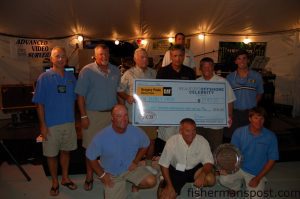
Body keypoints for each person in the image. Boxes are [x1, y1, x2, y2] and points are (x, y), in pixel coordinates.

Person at [32, 46, 77, 196]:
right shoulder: (44, 78)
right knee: (51, 155)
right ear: (51, 59)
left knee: (66, 152)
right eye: (57, 56)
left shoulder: (71, 77)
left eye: (63, 56)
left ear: (67, 59)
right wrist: (42, 125)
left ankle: (65, 178)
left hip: (69, 123)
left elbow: (77, 99)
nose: (61, 59)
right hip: (51, 125)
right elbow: (39, 103)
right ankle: (54, 182)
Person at [75, 44, 120, 191]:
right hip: (93, 115)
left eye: (106, 54)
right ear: (95, 55)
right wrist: (83, 116)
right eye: (101, 54)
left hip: (111, 115)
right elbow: (80, 95)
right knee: (90, 148)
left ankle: (107, 173)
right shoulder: (87, 71)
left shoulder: (115, 70)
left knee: (109, 147)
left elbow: (118, 93)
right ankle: (89, 176)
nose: (104, 57)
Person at [86, 104, 157, 198]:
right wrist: (102, 175)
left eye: (125, 115)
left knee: (151, 181)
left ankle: (135, 185)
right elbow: (90, 156)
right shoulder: (101, 136)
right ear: (112, 118)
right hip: (112, 174)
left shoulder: (136, 131)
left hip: (130, 168)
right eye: (119, 116)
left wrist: (135, 161)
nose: (123, 119)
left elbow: (146, 144)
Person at [219, 107, 279, 199]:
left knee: (256, 197)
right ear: (250, 118)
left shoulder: (271, 136)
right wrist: (227, 168)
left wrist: (258, 178)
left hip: (256, 173)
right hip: (239, 167)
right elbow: (233, 153)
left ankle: (261, 180)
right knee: (223, 179)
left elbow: (272, 160)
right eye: (255, 118)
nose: (259, 122)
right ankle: (236, 187)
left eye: (261, 118)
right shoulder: (239, 132)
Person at [118, 48, 157, 166]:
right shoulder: (128, 74)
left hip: (150, 115)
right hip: (133, 115)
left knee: (151, 141)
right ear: (135, 59)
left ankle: (149, 165)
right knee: (133, 142)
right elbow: (119, 90)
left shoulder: (153, 73)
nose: (145, 60)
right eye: (142, 57)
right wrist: (127, 97)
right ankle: (132, 165)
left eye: (146, 57)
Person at [158, 118, 215, 198]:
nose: (192, 134)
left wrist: (203, 174)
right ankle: (165, 181)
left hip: (194, 169)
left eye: (194, 130)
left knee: (211, 179)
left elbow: (209, 162)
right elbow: (164, 165)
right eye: (188, 131)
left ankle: (198, 185)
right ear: (181, 131)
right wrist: (169, 185)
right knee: (165, 197)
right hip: (177, 169)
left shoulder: (202, 141)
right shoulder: (172, 141)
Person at [156, 44, 196, 155]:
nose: (177, 58)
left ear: (184, 56)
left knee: (183, 140)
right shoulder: (162, 72)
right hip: (168, 113)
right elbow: (158, 93)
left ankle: (181, 164)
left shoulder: (190, 72)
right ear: (170, 56)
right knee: (167, 141)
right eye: (175, 56)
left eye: (180, 56)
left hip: (184, 112)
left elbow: (193, 93)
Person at [196, 57, 236, 152]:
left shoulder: (222, 82)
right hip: (200, 123)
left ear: (213, 67)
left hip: (216, 124)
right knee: (200, 147)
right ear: (200, 68)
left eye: (209, 66)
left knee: (215, 148)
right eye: (204, 67)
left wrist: (229, 116)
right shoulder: (197, 82)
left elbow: (230, 101)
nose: (207, 69)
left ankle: (214, 166)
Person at [225, 50, 264, 141]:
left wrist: (253, 105)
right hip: (235, 113)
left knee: (250, 138)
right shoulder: (229, 78)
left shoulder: (256, 76)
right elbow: (227, 97)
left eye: (244, 58)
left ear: (248, 60)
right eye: (239, 59)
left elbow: (260, 93)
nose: (242, 61)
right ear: (235, 61)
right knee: (235, 138)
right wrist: (230, 113)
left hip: (251, 113)